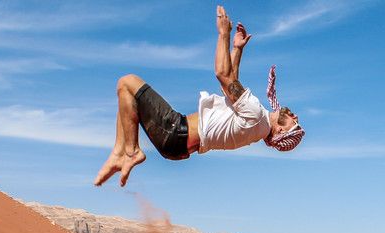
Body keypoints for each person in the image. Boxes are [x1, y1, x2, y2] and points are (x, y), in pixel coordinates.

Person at [94, 5, 305, 187]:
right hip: (178, 146)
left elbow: (223, 75)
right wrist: (237, 49)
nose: (295, 117)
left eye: (293, 125)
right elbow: (231, 87)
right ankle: (122, 151)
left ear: (279, 132)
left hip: (176, 131)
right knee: (128, 100)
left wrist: (223, 34)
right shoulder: (255, 127)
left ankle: (129, 152)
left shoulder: (257, 116)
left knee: (127, 82)